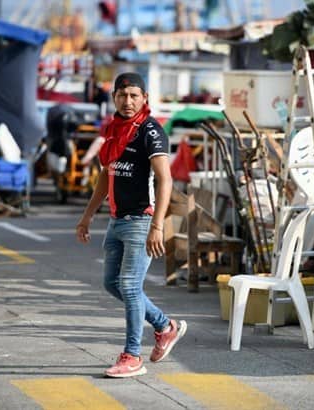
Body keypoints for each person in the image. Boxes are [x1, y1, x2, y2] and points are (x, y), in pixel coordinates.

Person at [76, 72, 187, 378]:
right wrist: (87, 215)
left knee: (129, 285)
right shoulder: (113, 130)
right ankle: (165, 326)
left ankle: (132, 356)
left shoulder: (151, 131)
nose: (128, 101)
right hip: (116, 220)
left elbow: (165, 180)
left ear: (144, 98)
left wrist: (157, 226)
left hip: (142, 219)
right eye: (123, 95)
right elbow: (104, 175)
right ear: (114, 98)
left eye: (134, 96)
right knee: (112, 283)